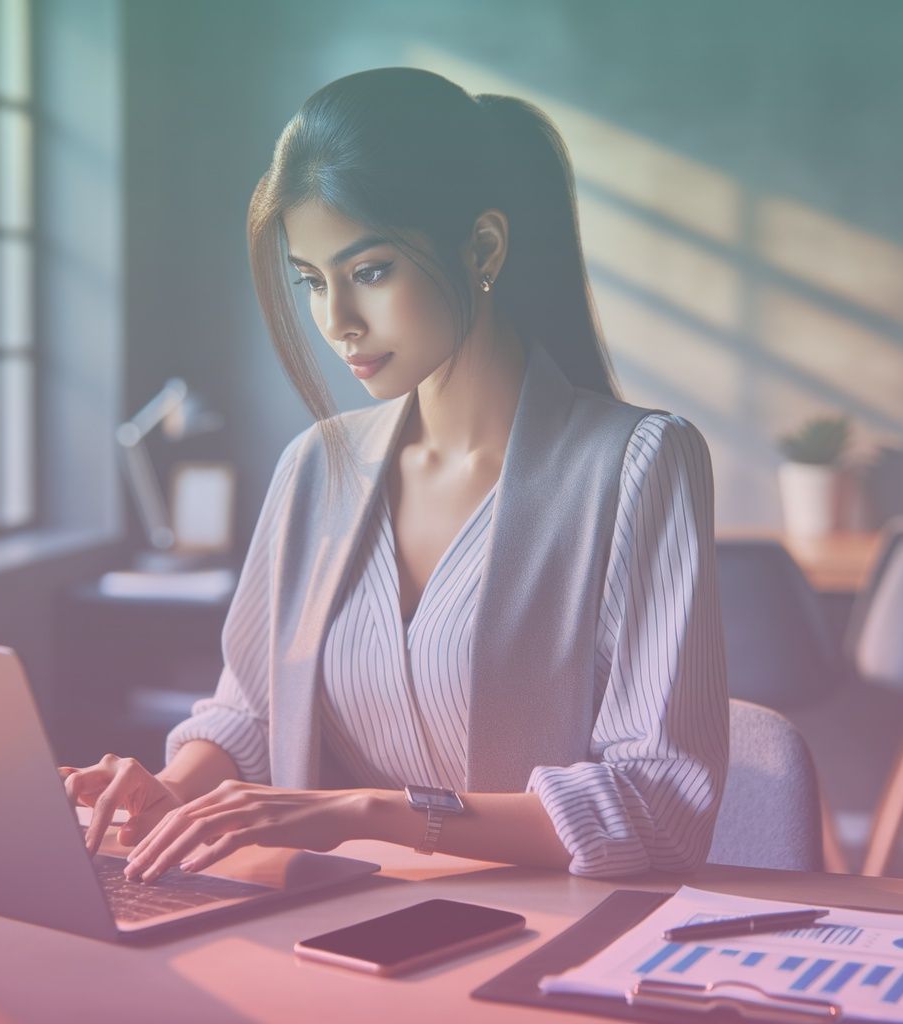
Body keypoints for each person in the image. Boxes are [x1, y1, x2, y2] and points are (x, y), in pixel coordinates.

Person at [61, 67, 727, 882]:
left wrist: (369, 813)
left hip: (544, 936)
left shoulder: (638, 466)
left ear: (482, 247)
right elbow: (253, 713)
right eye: (312, 281)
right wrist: (170, 789)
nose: (337, 321)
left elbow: (660, 807)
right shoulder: (315, 469)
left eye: (370, 271)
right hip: (335, 927)